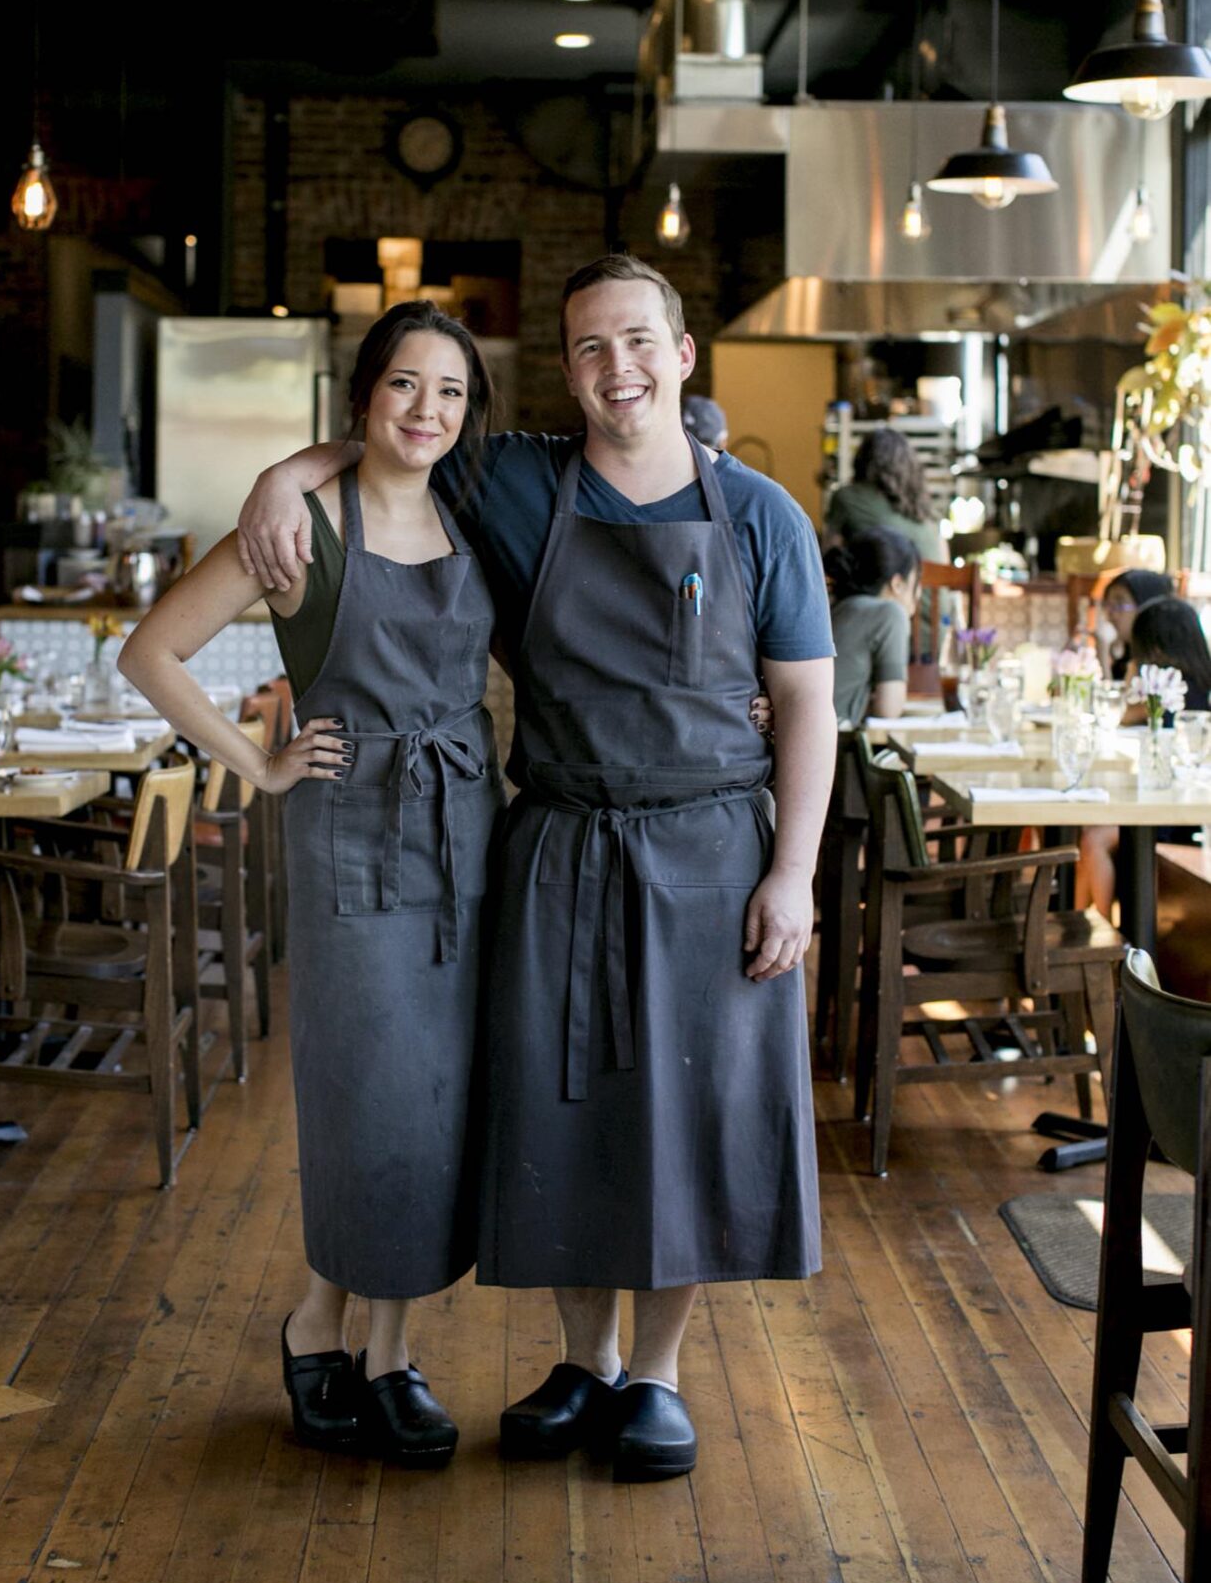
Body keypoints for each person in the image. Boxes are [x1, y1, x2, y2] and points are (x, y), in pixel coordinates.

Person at [237, 253, 837, 1483]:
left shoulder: (765, 516)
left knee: (686, 1117)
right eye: (586, 349)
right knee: (571, 1114)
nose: (614, 367)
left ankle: (655, 1377)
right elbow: (395, 437)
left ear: (680, 354)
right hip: (560, 836)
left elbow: (809, 707)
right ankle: (585, 1359)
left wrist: (795, 871)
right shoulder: (518, 482)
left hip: (713, 851)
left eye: (635, 342)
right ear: (566, 373)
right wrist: (285, 471)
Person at [119, 300, 505, 1470]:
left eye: (448, 390)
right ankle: (329, 1331)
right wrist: (259, 764)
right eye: (403, 385)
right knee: (369, 1099)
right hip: (349, 834)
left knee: (439, 1104)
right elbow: (150, 652)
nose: (425, 410)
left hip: (463, 837)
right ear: (362, 396)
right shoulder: (301, 530)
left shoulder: (472, 508)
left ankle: (368, 1343)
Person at [1078, 595, 1211, 915]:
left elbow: (1120, 711)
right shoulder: (1191, 686)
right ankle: (1085, 927)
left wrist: (1132, 666)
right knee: (1090, 834)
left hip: (1175, 812)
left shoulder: (1174, 693)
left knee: (1093, 840)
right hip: (1168, 801)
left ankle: (1097, 932)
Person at [824, 527, 921, 726]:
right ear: (898, 584)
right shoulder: (889, 613)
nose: (919, 593)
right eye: (917, 581)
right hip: (836, 747)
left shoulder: (837, 607)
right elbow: (888, 710)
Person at [824, 425, 944, 565]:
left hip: (886, 585)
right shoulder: (928, 510)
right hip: (933, 585)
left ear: (862, 460)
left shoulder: (846, 497)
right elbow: (944, 564)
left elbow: (826, 560)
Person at [1097, 567, 1173, 682]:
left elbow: (1125, 698)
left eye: (1119, 604)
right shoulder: (1129, 654)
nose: (1111, 614)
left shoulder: (1163, 665)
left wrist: (1103, 655)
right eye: (1108, 605)